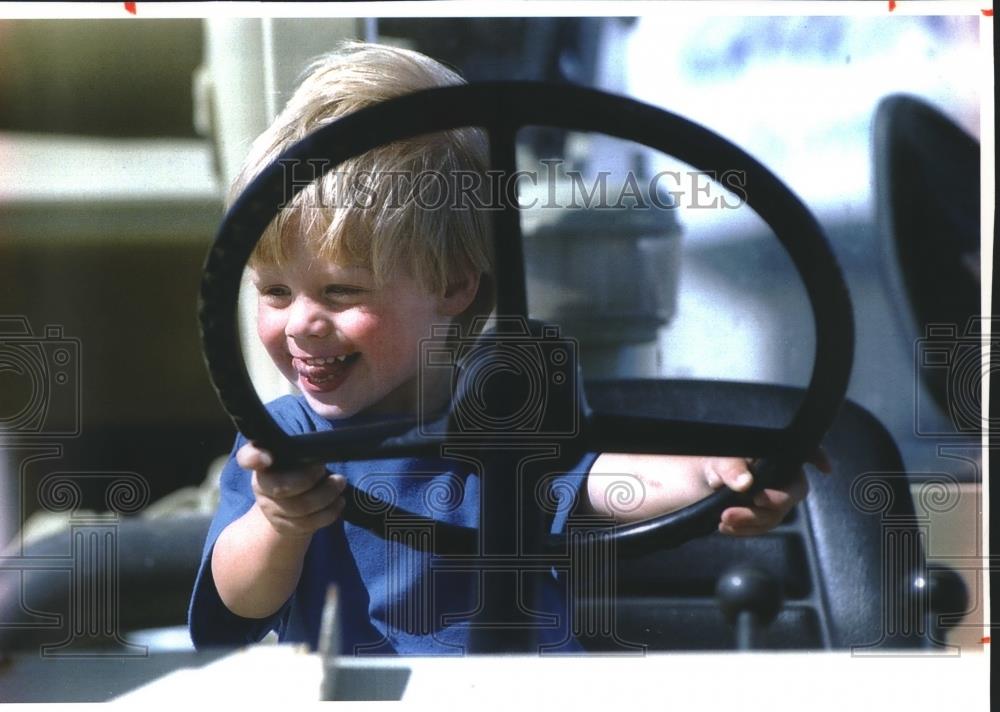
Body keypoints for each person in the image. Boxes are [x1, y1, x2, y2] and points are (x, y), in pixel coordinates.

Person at [188, 41, 819, 655]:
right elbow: (238, 605)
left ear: (455, 285)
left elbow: (604, 482)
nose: (301, 324)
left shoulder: (504, 408)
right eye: (274, 291)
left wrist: (716, 477)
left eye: (340, 291)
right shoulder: (287, 441)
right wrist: (279, 524)